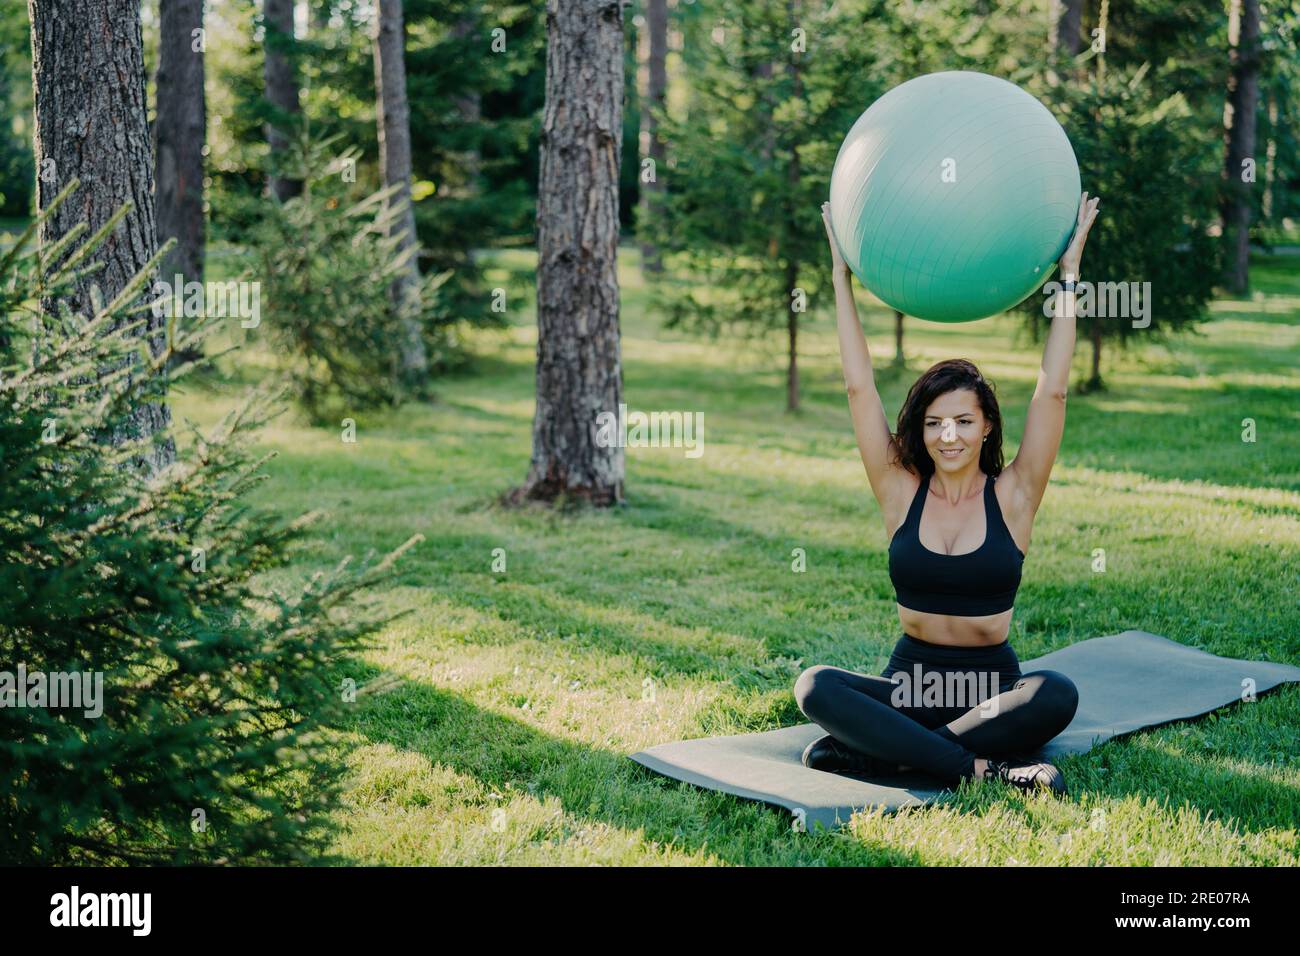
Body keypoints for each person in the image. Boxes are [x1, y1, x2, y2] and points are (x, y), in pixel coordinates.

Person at [792, 192, 1101, 797]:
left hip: (991, 696)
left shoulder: (1015, 493)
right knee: (815, 687)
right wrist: (839, 278)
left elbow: (1053, 393)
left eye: (962, 420)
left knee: (1056, 693)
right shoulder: (898, 489)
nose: (948, 435)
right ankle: (977, 768)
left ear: (986, 424)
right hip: (908, 688)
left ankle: (891, 753)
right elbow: (859, 389)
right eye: (934, 423)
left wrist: (1069, 279)